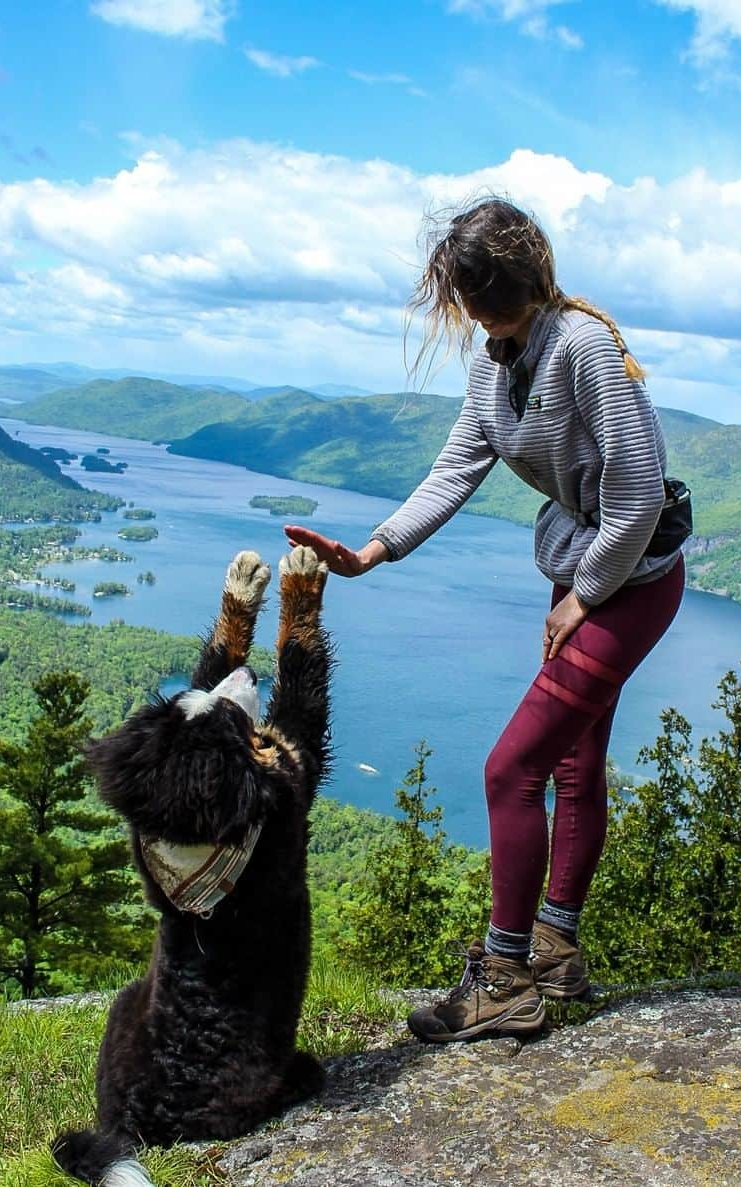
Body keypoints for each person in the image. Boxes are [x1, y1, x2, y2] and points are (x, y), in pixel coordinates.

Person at [284, 197, 685, 1042]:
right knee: (572, 762)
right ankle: (557, 951)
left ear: (521, 280)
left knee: (511, 769)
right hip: (589, 575)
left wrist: (585, 595)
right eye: (471, 297)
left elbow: (640, 494)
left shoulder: (584, 350)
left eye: (485, 294)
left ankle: (504, 976)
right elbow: (456, 468)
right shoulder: (495, 359)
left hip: (630, 579)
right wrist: (373, 550)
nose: (477, 312)